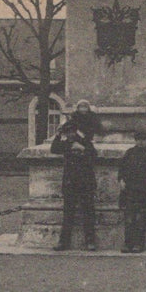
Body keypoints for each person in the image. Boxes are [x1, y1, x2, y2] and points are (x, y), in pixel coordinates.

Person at [50, 100, 101, 251]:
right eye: (69, 132)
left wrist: (82, 148)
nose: (71, 134)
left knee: (88, 213)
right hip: (70, 181)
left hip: (85, 181)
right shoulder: (66, 144)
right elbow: (54, 148)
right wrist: (60, 137)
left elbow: (94, 154)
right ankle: (63, 242)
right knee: (68, 214)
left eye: (72, 132)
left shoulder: (85, 142)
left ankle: (90, 241)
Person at [117, 130, 146, 253]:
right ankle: (128, 243)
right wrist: (121, 180)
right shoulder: (129, 153)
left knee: (140, 218)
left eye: (144, 140)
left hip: (143, 191)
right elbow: (122, 168)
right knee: (129, 218)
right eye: (139, 139)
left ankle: (138, 244)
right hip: (129, 190)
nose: (141, 142)